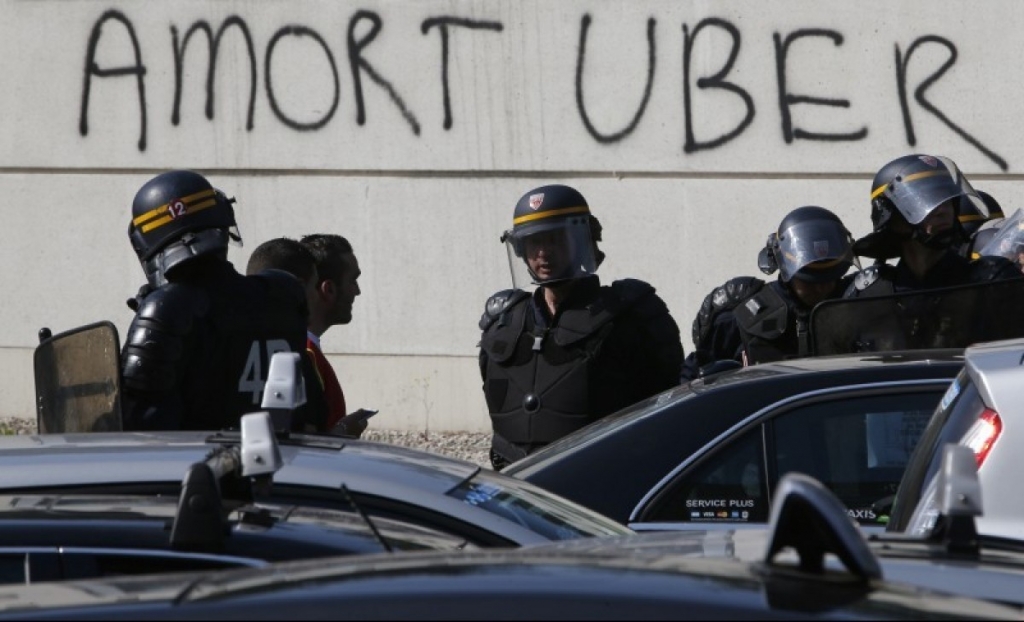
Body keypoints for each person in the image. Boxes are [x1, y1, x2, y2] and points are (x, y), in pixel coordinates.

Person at [478, 184, 684, 469]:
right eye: (534, 242)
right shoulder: (504, 321)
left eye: (554, 240)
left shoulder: (630, 314)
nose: (543, 253)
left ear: (583, 240)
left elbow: (667, 404)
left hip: (598, 479)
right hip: (515, 483)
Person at [121, 170, 325, 432]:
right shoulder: (282, 294)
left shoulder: (165, 311)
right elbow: (314, 411)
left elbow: (139, 429)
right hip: (283, 465)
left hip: (194, 468)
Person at [683, 206, 858, 379]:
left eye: (829, 279)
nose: (820, 288)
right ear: (786, 271)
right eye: (808, 282)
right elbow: (694, 379)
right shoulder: (742, 315)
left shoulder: (858, 306)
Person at [846, 154, 1019, 297]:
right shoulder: (870, 294)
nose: (943, 210)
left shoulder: (992, 281)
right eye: (926, 199)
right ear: (894, 220)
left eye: (947, 198)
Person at [299, 233, 366, 436]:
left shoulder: (304, 348)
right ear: (328, 290)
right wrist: (344, 430)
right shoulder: (305, 354)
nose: (358, 291)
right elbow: (303, 444)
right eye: (353, 281)